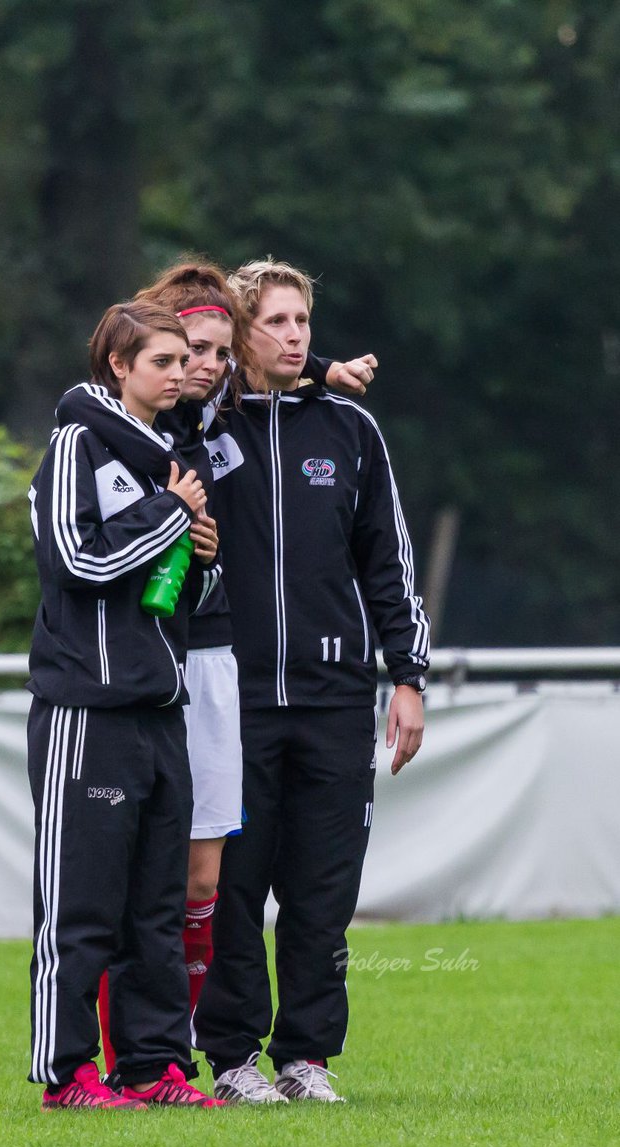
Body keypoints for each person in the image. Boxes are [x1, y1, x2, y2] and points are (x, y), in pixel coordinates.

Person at [57, 261, 378, 1088]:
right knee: (164, 882)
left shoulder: (305, 418)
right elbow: (88, 407)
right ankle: (153, 1057)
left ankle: (200, 1055)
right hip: (159, 670)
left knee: (202, 876)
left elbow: (273, 366)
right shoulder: (155, 423)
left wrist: (317, 373)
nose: (199, 364)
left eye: (211, 349)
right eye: (184, 350)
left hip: (224, 669)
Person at [193, 258, 430, 1103]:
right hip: (235, 696)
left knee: (323, 888)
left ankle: (306, 1058)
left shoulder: (352, 432)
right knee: (233, 888)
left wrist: (407, 676)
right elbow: (158, 340)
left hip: (335, 697)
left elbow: (388, 563)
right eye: (277, 323)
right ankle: (230, 1060)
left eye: (304, 323)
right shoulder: (199, 424)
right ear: (239, 333)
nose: (296, 337)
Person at [26, 298, 223, 1109]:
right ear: (119, 367)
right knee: (81, 906)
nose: (181, 376)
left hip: (159, 711)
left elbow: (160, 595)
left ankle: (151, 1065)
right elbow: (76, 559)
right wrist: (172, 513)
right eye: (164, 363)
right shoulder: (75, 444)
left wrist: (201, 560)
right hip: (88, 712)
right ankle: (68, 1073)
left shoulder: (168, 453)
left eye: (186, 362)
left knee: (156, 909)